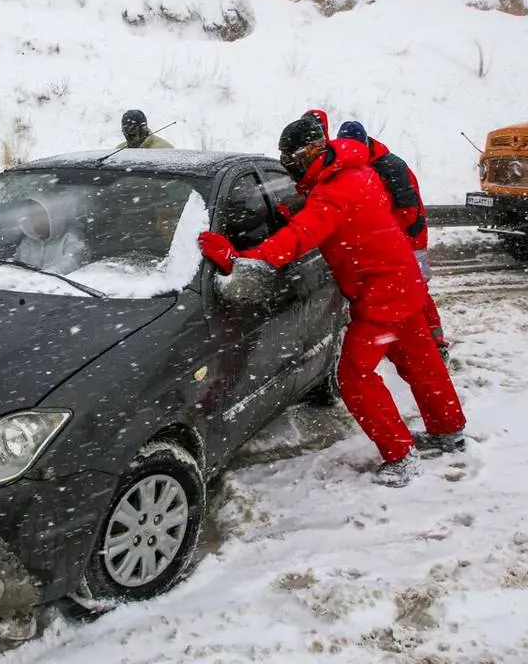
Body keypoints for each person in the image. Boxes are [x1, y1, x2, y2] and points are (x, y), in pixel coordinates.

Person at [198, 118, 466, 486]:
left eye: (289, 160)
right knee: (420, 360)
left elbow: (298, 237)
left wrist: (240, 260)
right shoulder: (358, 173)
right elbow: (327, 218)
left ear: (310, 153)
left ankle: (401, 456)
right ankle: (448, 429)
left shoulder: (337, 191)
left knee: (354, 377)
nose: (288, 168)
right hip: (403, 285)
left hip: (381, 295)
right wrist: (301, 211)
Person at [336, 120, 449, 362]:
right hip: (387, 238)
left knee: (416, 290)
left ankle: (436, 343)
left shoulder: (390, 166)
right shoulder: (357, 163)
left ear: (364, 145)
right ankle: (396, 339)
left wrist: (390, 239)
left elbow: (408, 210)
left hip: (410, 237)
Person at [14, 196, 86, 274]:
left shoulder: (70, 240)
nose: (35, 220)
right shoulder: (27, 244)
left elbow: (70, 263)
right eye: (32, 215)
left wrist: (45, 276)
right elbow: (15, 269)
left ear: (54, 216)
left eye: (41, 215)